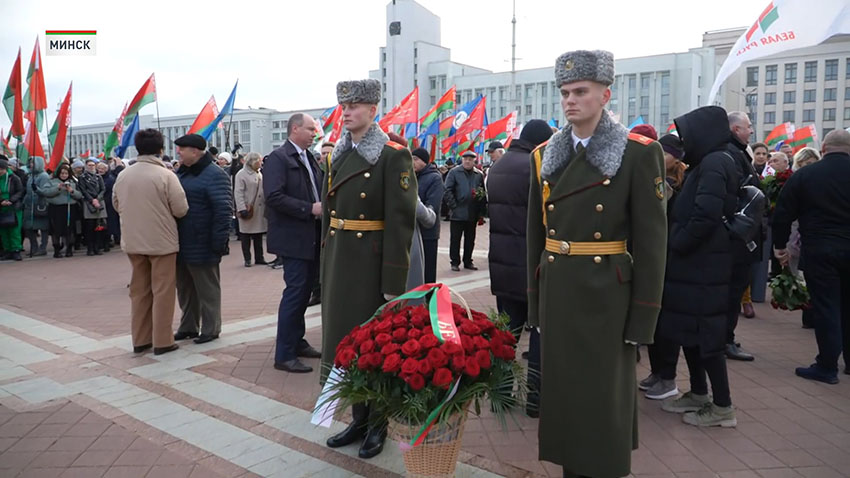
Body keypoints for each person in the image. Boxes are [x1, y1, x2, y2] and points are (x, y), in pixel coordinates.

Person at [526, 50, 667, 477]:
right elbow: (537, 237)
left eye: (581, 91)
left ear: (605, 94)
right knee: (565, 393)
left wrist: (644, 319)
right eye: (565, 92)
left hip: (609, 295)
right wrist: (535, 305)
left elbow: (653, 243)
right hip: (560, 290)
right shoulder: (544, 156)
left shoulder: (639, 154)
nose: (570, 100)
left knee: (603, 399)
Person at [322, 79, 417, 460]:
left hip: (370, 261)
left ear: (374, 110)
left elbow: (401, 221)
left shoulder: (393, 155)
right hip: (340, 259)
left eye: (356, 105)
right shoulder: (336, 154)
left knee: (374, 347)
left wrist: (393, 280)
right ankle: (358, 417)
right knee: (344, 343)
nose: (347, 112)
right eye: (343, 105)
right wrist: (323, 267)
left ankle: (378, 423)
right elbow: (328, 217)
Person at [658, 106, 739, 428]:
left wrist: (676, 244)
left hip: (703, 267)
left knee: (707, 338)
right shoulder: (706, 162)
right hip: (692, 268)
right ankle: (699, 392)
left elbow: (705, 215)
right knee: (689, 333)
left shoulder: (717, 162)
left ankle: (722, 406)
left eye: (687, 134)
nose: (683, 142)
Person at [773, 130, 850, 384]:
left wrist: (780, 244)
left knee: (827, 306)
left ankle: (827, 366)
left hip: (820, 248)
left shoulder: (806, 175)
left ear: (824, 147)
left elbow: (783, 211)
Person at [487, 119, 552, 417]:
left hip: (502, 263)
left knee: (506, 333)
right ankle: (536, 400)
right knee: (539, 331)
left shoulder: (497, 167)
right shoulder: (535, 167)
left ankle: (501, 393)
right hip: (532, 264)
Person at [113, 129, 189, 356]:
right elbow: (181, 208)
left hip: (133, 240)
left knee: (139, 291)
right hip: (161, 241)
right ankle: (163, 340)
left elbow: (116, 203)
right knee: (163, 291)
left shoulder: (124, 175)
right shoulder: (166, 175)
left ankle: (140, 339)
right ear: (160, 149)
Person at [263, 114, 324, 373]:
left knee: (303, 294)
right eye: (311, 129)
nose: (314, 133)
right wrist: (308, 208)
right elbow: (273, 196)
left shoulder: (308, 157)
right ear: (295, 128)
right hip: (293, 237)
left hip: (310, 236)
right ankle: (284, 354)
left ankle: (297, 342)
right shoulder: (279, 158)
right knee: (295, 293)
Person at [173, 134, 233, 345]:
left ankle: (211, 328)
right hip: (181, 240)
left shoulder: (215, 174)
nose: (178, 152)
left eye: (182, 149)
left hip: (204, 241)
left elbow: (223, 210)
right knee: (185, 287)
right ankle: (188, 326)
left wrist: (219, 243)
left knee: (207, 288)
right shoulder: (182, 172)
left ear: (195, 151)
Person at [641, 133, 685, 401]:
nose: (659, 157)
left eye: (664, 153)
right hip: (654, 258)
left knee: (667, 323)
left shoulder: (678, 183)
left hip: (670, 261)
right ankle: (657, 372)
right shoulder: (654, 179)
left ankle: (667, 377)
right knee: (654, 321)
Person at [724, 111, 760, 361]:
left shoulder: (737, 153)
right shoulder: (731, 155)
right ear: (735, 129)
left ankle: (725, 338)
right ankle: (724, 340)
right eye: (748, 127)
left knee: (734, 291)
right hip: (736, 239)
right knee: (730, 292)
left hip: (741, 237)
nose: (751, 131)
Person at [444, 150, 485, 271]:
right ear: (462, 160)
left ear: (474, 161)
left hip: (472, 212)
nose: (467, 161)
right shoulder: (454, 172)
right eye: (465, 159)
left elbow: (482, 192)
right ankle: (454, 262)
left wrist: (481, 211)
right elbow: (447, 190)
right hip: (457, 212)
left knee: (470, 239)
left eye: (470, 159)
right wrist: (453, 206)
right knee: (455, 239)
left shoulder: (479, 175)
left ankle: (468, 261)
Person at [411, 147, 444, 284]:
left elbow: (433, 207)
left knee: (428, 271)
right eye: (411, 159)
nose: (412, 162)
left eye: (416, 159)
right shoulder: (412, 176)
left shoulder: (435, 178)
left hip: (428, 232)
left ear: (425, 161)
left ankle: (429, 300)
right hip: (413, 231)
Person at [234, 152, 268, 267]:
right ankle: (247, 259)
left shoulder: (259, 173)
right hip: (248, 209)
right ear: (253, 161)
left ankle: (259, 257)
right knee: (245, 235)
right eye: (259, 160)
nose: (261, 162)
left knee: (258, 234)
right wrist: (242, 208)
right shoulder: (241, 174)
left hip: (258, 209)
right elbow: (238, 192)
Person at [41, 164, 82, 257]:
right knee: (56, 230)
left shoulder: (73, 182)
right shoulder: (52, 181)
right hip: (56, 209)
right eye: (62, 173)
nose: (64, 175)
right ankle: (57, 250)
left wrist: (71, 191)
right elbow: (45, 192)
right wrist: (58, 188)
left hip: (69, 208)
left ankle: (69, 249)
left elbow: (79, 195)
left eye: (66, 173)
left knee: (70, 229)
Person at [22, 156, 50, 257]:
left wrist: (37, 190)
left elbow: (45, 191)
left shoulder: (44, 176)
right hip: (29, 205)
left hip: (40, 205)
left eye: (32, 163)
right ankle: (34, 247)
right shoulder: (30, 176)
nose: (30, 165)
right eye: (30, 163)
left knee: (43, 228)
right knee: (28, 227)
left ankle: (43, 248)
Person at [78, 159, 107, 256]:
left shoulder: (98, 177)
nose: (91, 167)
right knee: (89, 227)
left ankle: (97, 247)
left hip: (99, 202)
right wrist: (92, 200)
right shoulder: (82, 177)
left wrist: (97, 199)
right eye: (89, 165)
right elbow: (83, 189)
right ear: (86, 166)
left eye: (93, 165)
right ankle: (90, 248)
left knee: (99, 226)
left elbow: (103, 189)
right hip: (88, 203)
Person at [0, 158, 24, 261]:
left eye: (1, 169)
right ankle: (7, 250)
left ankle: (16, 250)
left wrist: (11, 200)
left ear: (5, 168)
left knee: (14, 230)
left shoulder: (14, 178)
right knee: (3, 231)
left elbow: (20, 191)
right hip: (2, 207)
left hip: (13, 207)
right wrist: (1, 201)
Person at [102, 158, 125, 251]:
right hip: (105, 202)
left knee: (114, 223)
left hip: (111, 203)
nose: (101, 170)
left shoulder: (112, 178)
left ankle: (117, 238)